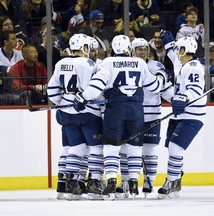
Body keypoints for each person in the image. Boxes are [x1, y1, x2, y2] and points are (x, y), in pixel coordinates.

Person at [73, 34, 166, 200]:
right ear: (129, 49)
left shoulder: (108, 62)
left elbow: (96, 86)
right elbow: (155, 86)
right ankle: (133, 183)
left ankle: (111, 180)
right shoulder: (139, 62)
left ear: (113, 49)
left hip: (114, 111)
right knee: (135, 147)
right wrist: (162, 76)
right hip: (136, 110)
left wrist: (82, 97)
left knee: (112, 146)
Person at [115, 37, 173, 199]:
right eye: (139, 49)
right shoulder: (126, 66)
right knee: (125, 150)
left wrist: (174, 99)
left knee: (150, 150)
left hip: (152, 115)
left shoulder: (156, 66)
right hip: (131, 115)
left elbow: (165, 88)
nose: (142, 52)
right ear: (132, 51)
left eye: (145, 48)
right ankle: (126, 181)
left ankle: (149, 181)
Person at [47, 34, 103, 200]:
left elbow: (52, 91)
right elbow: (96, 89)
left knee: (75, 148)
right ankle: (95, 184)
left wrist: (64, 102)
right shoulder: (89, 64)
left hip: (67, 113)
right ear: (85, 48)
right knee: (95, 148)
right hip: (88, 113)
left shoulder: (60, 63)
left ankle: (72, 186)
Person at [158, 30, 206, 198]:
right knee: (171, 148)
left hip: (191, 115)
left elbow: (195, 90)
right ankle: (176, 180)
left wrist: (183, 98)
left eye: (179, 49)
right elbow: (174, 58)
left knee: (175, 148)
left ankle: (172, 181)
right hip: (180, 115)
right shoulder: (183, 64)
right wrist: (169, 45)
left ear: (185, 50)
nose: (177, 52)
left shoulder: (193, 68)